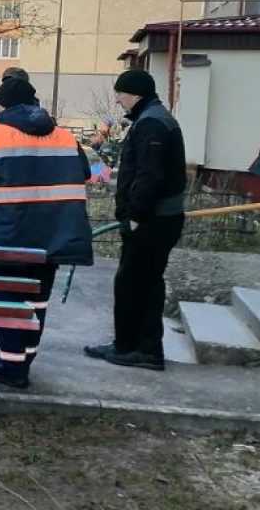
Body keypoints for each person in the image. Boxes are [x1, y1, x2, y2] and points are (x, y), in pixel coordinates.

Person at [0, 77, 93, 389]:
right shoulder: (65, 137)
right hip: (55, 236)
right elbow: (84, 173)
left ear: (1, 105)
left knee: (7, 301)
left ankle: (12, 369)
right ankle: (19, 359)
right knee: (36, 302)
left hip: (7, 236)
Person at [84, 70, 186, 371]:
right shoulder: (150, 119)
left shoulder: (153, 123)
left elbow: (150, 176)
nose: (117, 99)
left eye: (120, 93)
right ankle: (125, 344)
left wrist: (137, 216)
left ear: (135, 93)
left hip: (153, 221)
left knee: (139, 284)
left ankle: (146, 351)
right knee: (133, 282)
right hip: (153, 219)